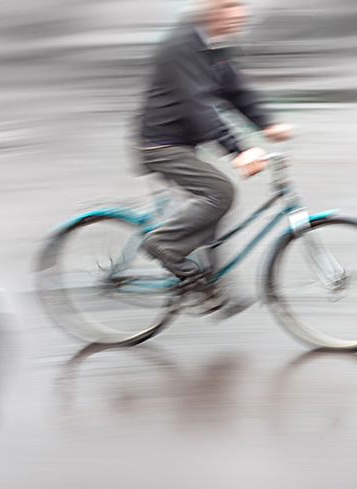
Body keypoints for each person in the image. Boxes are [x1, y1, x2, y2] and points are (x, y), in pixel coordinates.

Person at [136, 0, 293, 316]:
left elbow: (235, 91)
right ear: (210, 8)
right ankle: (163, 245)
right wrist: (238, 150)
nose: (240, 12)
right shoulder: (182, 44)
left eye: (240, 5)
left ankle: (207, 288)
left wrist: (268, 124)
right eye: (230, 5)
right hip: (160, 146)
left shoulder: (213, 45)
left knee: (212, 208)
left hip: (183, 143)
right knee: (221, 192)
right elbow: (197, 106)